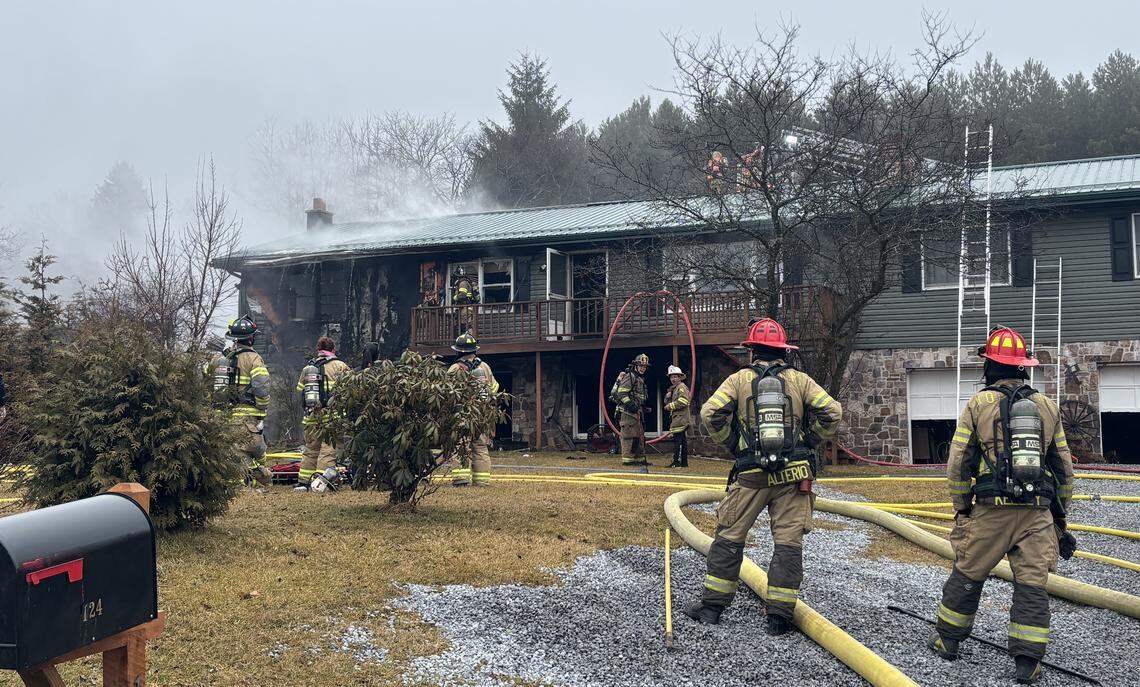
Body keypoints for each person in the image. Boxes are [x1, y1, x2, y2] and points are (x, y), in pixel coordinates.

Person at [928, 326, 1074, 685]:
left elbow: (958, 460)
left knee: (968, 574)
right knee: (1032, 585)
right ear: (1024, 367)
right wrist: (1059, 516)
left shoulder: (978, 405)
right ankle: (1028, 663)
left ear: (989, 367)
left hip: (991, 510)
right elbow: (1064, 468)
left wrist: (962, 508)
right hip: (1037, 512)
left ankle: (947, 642)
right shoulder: (1046, 406)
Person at [684, 319, 841, 634]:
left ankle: (712, 609)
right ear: (783, 350)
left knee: (729, 536)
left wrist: (734, 444)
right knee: (787, 543)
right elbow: (832, 412)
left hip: (751, 474)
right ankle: (779, 617)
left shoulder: (739, 379)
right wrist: (809, 440)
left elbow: (709, 413)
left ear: (752, 349)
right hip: (794, 475)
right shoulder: (800, 380)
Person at [207, 316, 272, 487]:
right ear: (251, 338)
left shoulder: (220, 360)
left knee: (231, 453)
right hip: (248, 418)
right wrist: (262, 408)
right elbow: (262, 389)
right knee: (255, 450)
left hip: (222, 416)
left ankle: (237, 485)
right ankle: (251, 483)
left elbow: (206, 382)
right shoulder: (254, 359)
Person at [294, 336, 352, 492]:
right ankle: (320, 483)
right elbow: (351, 391)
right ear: (333, 350)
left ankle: (303, 483)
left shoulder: (308, 368)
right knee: (328, 450)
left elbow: (300, 392)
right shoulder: (340, 366)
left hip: (311, 417)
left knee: (310, 450)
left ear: (318, 351)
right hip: (332, 417)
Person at [448, 332, 499, 486]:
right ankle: (482, 481)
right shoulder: (485, 367)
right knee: (481, 447)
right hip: (482, 414)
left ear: (458, 351)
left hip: (462, 414)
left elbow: (447, 393)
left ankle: (461, 480)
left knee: (461, 445)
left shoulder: (455, 369)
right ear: (474, 350)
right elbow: (494, 388)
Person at [611, 353, 650, 466]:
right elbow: (621, 392)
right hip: (627, 412)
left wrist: (643, 407)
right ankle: (628, 460)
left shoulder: (639, 378)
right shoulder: (630, 377)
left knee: (639, 435)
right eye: (641, 366)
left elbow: (639, 396)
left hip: (637, 412)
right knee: (629, 435)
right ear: (636, 365)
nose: (643, 368)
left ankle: (639, 459)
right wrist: (630, 404)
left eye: (645, 366)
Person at [664, 365, 691, 468]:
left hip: (681, 418)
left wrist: (670, 406)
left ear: (680, 377)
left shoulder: (681, 388)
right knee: (682, 441)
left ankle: (677, 462)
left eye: (675, 377)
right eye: (671, 377)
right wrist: (667, 398)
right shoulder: (674, 389)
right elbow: (669, 401)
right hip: (678, 418)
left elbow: (683, 401)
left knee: (678, 441)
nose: (673, 379)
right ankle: (683, 463)